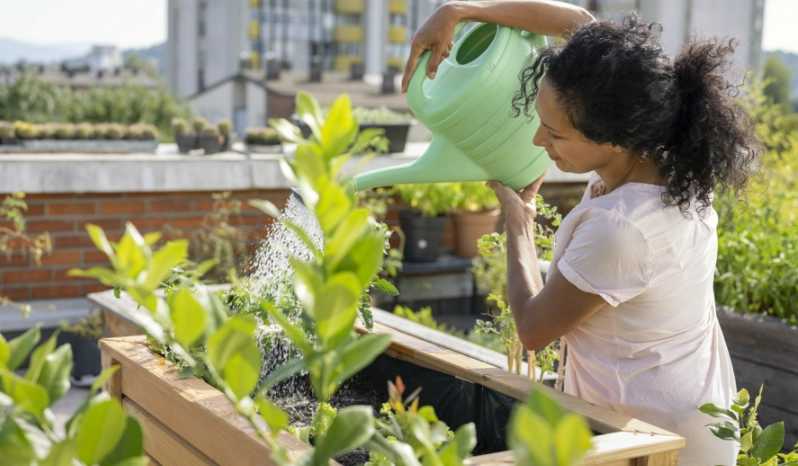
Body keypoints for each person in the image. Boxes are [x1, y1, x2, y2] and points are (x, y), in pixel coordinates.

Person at [402, 1, 761, 464]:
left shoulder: (623, 230)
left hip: (657, 441)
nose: (538, 141)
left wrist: (519, 223)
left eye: (555, 134)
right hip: (684, 409)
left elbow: (532, 329)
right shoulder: (667, 156)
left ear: (614, 137)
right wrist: (460, 11)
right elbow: (582, 26)